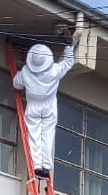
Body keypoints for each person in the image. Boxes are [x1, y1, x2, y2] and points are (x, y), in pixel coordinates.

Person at [12, 29, 80, 180]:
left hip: (33, 106)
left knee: (34, 135)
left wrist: (19, 75)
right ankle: (46, 165)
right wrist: (68, 44)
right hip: (49, 107)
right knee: (47, 136)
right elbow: (68, 62)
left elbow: (16, 84)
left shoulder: (26, 72)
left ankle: (37, 166)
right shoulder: (54, 70)